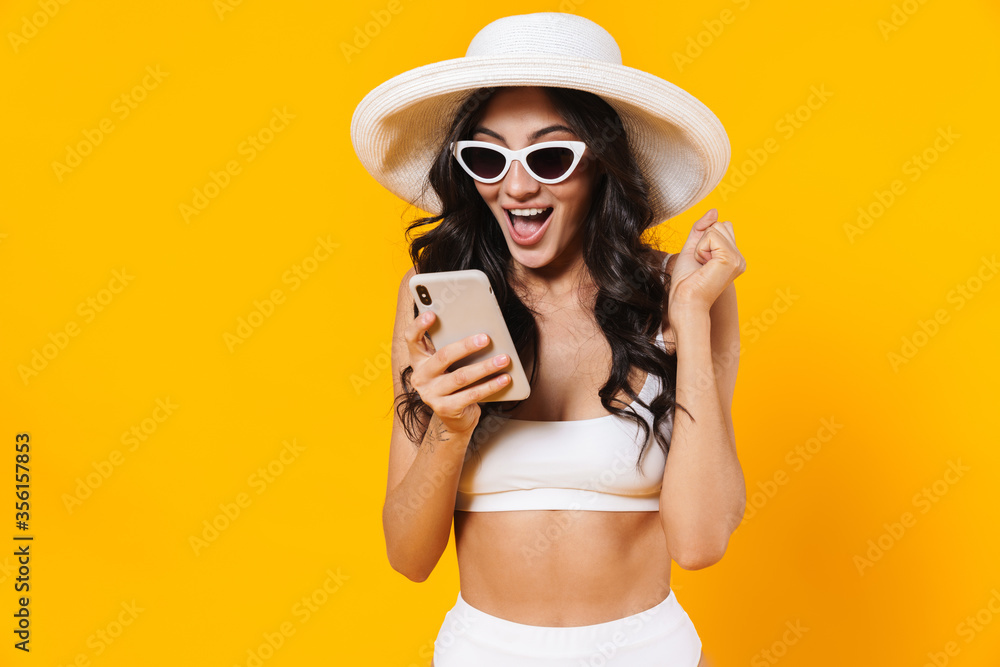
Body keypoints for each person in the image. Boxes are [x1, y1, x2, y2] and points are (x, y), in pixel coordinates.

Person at [352, 12, 747, 666]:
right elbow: (408, 556)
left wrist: (691, 318)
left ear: (602, 165)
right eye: (487, 157)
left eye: (550, 156)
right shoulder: (437, 299)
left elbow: (701, 541)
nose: (516, 186)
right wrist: (449, 427)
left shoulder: (685, 292)